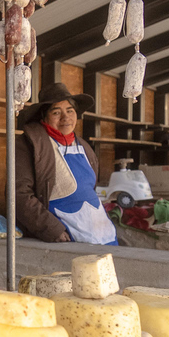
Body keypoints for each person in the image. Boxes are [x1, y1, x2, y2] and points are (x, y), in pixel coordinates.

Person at [15, 83, 117, 245]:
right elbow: (18, 195)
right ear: (44, 117)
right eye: (56, 112)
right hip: (67, 237)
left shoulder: (83, 146)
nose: (65, 117)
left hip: (103, 234)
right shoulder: (30, 144)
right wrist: (51, 229)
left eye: (70, 110)